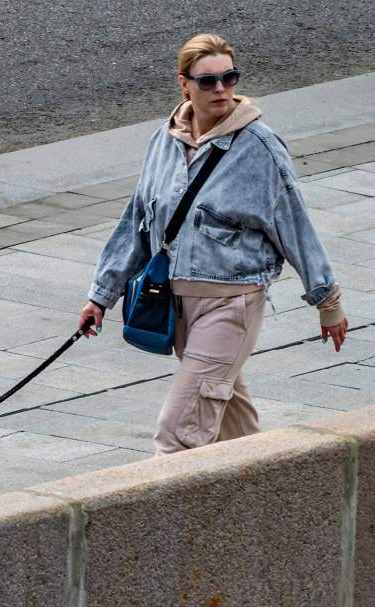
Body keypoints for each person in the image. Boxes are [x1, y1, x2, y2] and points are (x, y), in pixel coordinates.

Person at [77, 33, 348, 455]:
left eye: (228, 77)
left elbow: (294, 223)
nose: (220, 88)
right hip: (178, 307)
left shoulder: (259, 147)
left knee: (178, 434)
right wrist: (101, 295)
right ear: (184, 84)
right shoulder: (163, 141)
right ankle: (265, 501)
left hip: (231, 306)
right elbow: (138, 221)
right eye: (207, 81)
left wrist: (327, 302)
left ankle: (164, 517)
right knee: (232, 434)